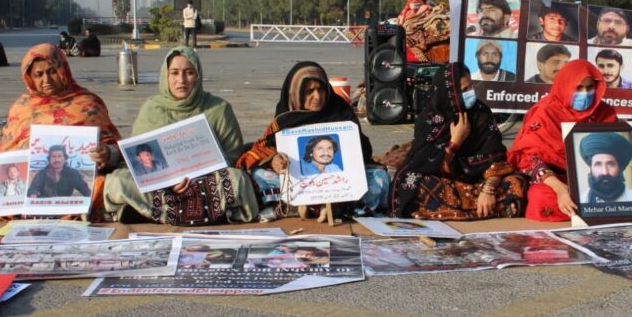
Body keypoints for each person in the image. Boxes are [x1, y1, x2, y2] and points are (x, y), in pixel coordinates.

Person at [99, 47, 258, 224]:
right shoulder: (152, 109)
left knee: (238, 181)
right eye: (174, 73)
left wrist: (195, 176)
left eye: (188, 73)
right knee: (117, 182)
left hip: (203, 184)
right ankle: (206, 214)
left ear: (197, 76)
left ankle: (147, 213)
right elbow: (137, 162)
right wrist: (167, 182)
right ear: (165, 76)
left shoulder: (219, 109)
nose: (181, 80)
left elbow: (233, 157)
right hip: (160, 186)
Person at [0, 43, 121, 219]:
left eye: (52, 71)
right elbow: (6, 149)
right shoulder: (21, 107)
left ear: (63, 70)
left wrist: (108, 153)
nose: (46, 80)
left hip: (74, 179)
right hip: (29, 179)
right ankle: (57, 212)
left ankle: (35, 212)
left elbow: (114, 146)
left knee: (105, 185)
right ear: (29, 78)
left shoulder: (89, 103)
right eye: (38, 75)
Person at [236, 61, 389, 219]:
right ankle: (327, 208)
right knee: (258, 175)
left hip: (338, 182)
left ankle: (310, 207)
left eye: (321, 89)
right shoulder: (286, 118)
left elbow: (364, 152)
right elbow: (264, 148)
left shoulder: (340, 110)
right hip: (300, 182)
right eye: (309, 91)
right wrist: (274, 160)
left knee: (380, 177)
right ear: (296, 93)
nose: (317, 96)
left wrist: (351, 145)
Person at [390, 63, 526, 220]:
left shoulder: (481, 113)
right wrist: (455, 142)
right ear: (449, 93)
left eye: (471, 87)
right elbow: (427, 166)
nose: (470, 93)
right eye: (464, 90)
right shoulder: (428, 119)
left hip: (479, 181)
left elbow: (496, 158)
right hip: (445, 182)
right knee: (411, 182)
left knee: (516, 182)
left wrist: (488, 189)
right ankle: (492, 208)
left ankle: (470, 208)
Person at [508, 60, 618, 221]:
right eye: (579, 88)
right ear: (565, 85)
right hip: (556, 179)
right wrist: (560, 189)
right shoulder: (546, 112)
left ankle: (596, 207)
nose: (585, 93)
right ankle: (608, 208)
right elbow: (530, 158)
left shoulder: (604, 112)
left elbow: (616, 146)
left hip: (598, 176)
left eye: (590, 88)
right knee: (541, 198)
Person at [578, 132, 632, 203]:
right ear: (591, 168)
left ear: (620, 167)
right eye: (598, 164)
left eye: (611, 164)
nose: (605, 172)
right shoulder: (580, 203)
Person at [27, 144, 91, 198]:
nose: (57, 160)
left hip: (65, 208)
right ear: (49, 159)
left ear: (65, 158)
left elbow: (85, 190)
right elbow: (32, 189)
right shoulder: (42, 174)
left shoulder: (72, 173)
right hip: (46, 208)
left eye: (59, 156)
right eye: (53, 156)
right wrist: (33, 194)